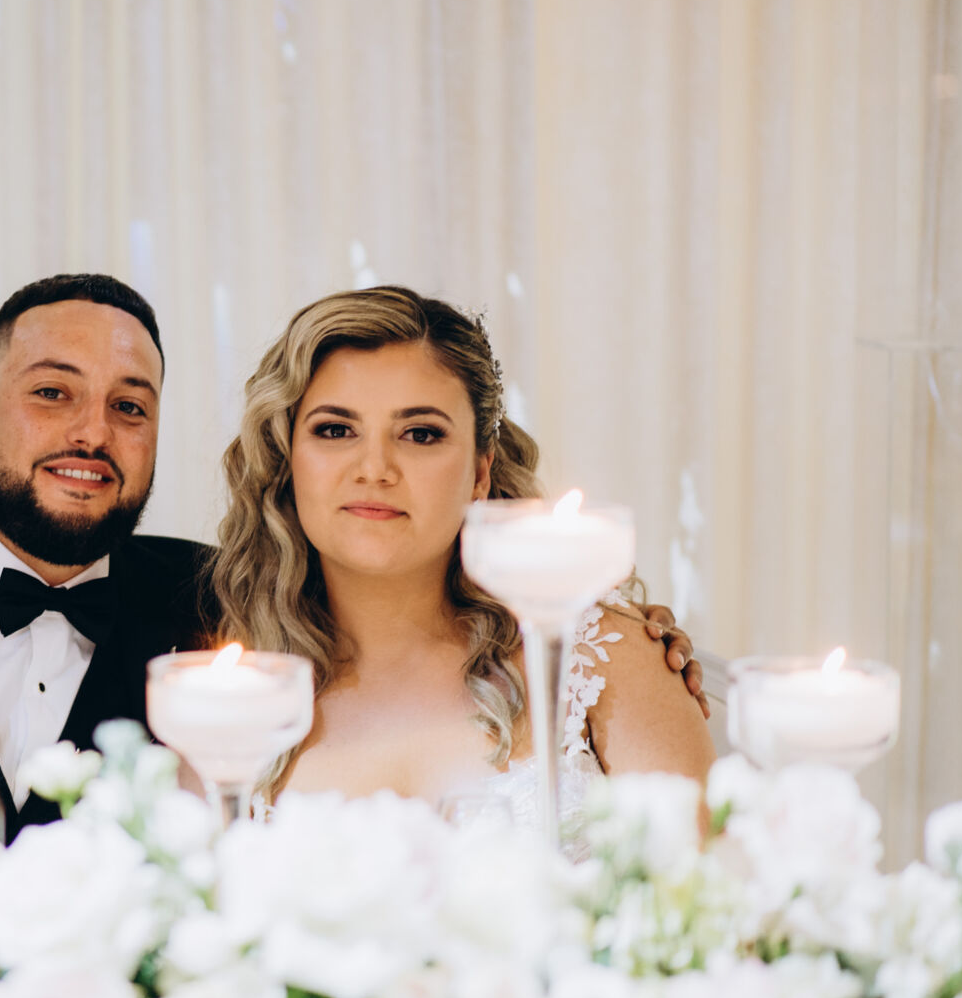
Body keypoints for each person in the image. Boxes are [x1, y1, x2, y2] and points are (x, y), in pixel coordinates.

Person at [0, 274, 705, 901]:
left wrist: (619, 625)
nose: (91, 432)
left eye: (130, 406)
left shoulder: (208, 619)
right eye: (52, 393)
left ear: (479, 470)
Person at [209, 286, 716, 833]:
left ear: (479, 473)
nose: (374, 469)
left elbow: (705, 878)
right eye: (335, 430)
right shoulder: (223, 694)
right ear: (287, 461)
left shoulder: (596, 655)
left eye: (420, 434)